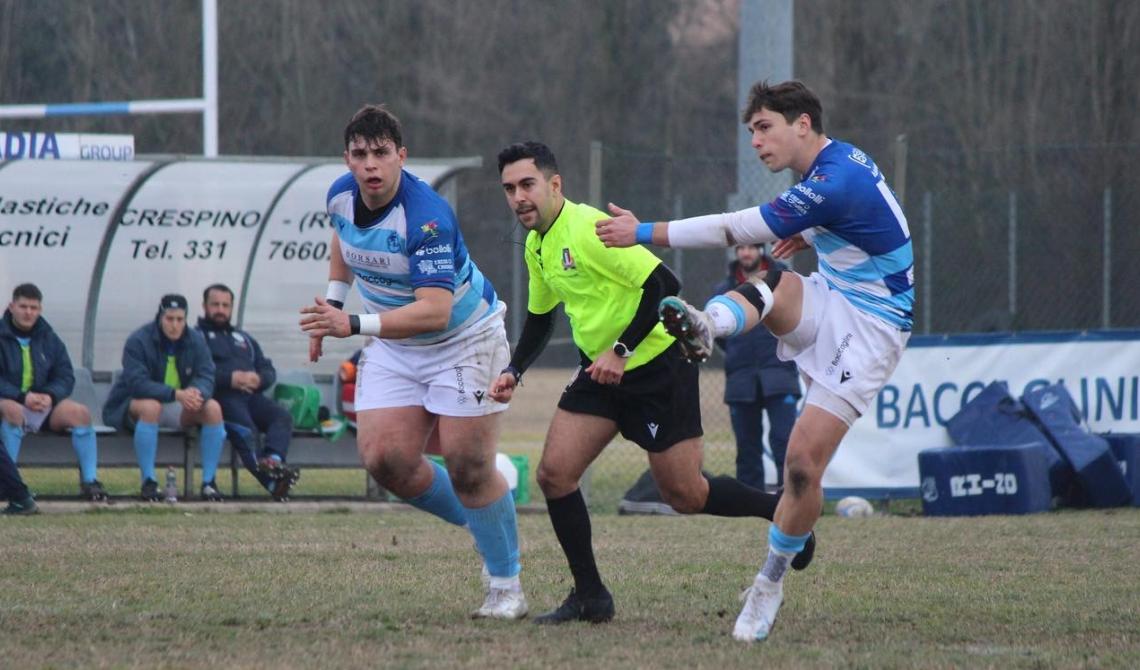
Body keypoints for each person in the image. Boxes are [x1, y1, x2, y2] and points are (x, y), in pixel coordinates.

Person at [596, 80, 914, 642]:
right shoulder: (828, 168)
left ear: (803, 124)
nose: (756, 142)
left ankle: (769, 582)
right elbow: (871, 229)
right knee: (771, 282)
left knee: (799, 468)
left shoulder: (833, 180)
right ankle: (706, 325)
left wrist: (640, 232)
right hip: (832, 294)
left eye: (764, 128)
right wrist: (817, 236)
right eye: (751, 132)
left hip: (873, 326)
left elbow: (736, 227)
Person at [489, 141, 813, 625]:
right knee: (554, 474)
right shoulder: (537, 244)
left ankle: (780, 511)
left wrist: (621, 350)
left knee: (686, 495)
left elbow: (665, 285)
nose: (518, 197)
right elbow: (539, 319)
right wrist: (514, 369)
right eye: (510, 189)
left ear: (555, 185)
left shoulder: (589, 229)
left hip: (659, 367)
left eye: (527, 184)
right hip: (600, 375)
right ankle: (591, 596)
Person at [298, 105, 527, 620]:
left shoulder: (425, 215)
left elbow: (435, 310)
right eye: (360, 155)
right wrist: (334, 303)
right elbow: (345, 239)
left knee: (469, 467)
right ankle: (483, 521)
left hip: (464, 339)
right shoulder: (340, 194)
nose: (370, 165)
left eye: (382, 153)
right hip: (398, 345)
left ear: (402, 156)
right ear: (347, 159)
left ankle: (505, 585)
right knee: (385, 459)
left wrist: (352, 325)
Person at [103, 294, 228, 502]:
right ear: (160, 317)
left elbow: (207, 374)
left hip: (180, 405)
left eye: (179, 320)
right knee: (151, 407)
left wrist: (198, 393)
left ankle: (209, 483)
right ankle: (149, 482)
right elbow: (137, 383)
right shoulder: (139, 340)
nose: (174, 325)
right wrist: (176, 394)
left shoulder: (196, 340)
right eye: (169, 319)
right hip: (136, 404)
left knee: (212, 408)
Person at [0, 283, 107, 501]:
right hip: (10, 402)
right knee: (12, 410)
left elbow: (65, 375)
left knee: (80, 413)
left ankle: (90, 481)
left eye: (34, 307)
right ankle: (9, 483)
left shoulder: (49, 337)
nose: (28, 312)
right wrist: (22, 397)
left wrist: (49, 395)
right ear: (11, 307)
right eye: (23, 306)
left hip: (42, 405)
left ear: (40, 309)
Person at [197, 284, 299, 501]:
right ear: (205, 306)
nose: (220, 310)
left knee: (281, 416)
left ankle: (273, 461)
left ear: (232, 308)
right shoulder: (196, 338)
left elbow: (267, 368)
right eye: (215, 304)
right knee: (246, 431)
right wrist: (230, 379)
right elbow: (196, 373)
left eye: (225, 305)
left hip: (252, 396)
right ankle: (271, 482)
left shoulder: (244, 339)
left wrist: (259, 379)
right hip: (221, 398)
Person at [713, 244, 800, 491]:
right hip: (741, 379)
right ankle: (751, 500)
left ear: (762, 249)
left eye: (751, 247)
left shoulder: (783, 280)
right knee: (746, 445)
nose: (746, 253)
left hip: (779, 374)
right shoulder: (723, 290)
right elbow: (719, 332)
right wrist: (737, 352)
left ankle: (793, 497)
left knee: (785, 441)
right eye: (741, 248)